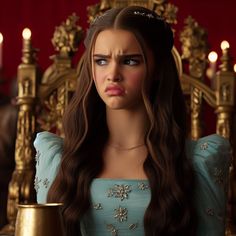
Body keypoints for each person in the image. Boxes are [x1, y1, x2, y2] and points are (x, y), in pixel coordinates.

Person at [34, 6, 231, 236]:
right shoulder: (58, 159)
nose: (113, 74)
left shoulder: (197, 162)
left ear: (157, 69)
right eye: (101, 61)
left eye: (130, 61)